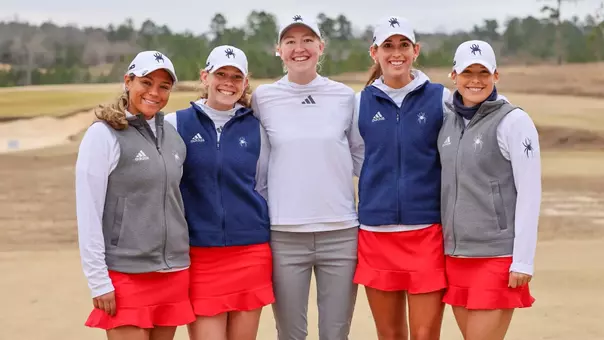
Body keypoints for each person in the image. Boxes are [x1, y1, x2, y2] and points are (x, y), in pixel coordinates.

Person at [251, 14, 361, 340]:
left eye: (307, 40)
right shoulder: (263, 98)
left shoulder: (345, 97)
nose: (300, 48)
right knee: (290, 334)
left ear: (321, 47)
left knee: (335, 333)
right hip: (284, 234)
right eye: (290, 42)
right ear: (279, 50)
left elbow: (361, 157)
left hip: (340, 233)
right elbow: (259, 163)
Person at [75, 51, 195, 340]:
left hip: (173, 271)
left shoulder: (173, 134)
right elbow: (88, 212)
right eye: (146, 82)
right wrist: (98, 281)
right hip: (126, 274)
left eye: (164, 86)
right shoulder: (103, 135)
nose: (154, 92)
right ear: (128, 81)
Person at [350, 16, 450, 340]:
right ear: (374, 52)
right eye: (388, 46)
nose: (396, 53)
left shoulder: (441, 98)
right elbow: (356, 156)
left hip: (426, 232)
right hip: (376, 233)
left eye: (403, 45)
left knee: (425, 334)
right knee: (389, 334)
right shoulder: (358, 103)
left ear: (415, 50)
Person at [164, 45, 273, 340]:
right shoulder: (175, 124)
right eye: (220, 74)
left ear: (245, 82)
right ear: (205, 77)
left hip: (250, 252)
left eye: (236, 76)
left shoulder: (257, 128)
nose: (228, 82)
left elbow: (262, 185)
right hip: (201, 255)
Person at [438, 40, 540, 340]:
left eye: (484, 72)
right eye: (468, 72)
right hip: (455, 257)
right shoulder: (447, 121)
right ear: (453, 76)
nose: (476, 80)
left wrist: (522, 260)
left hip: (496, 257)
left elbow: (530, 193)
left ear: (496, 76)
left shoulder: (514, 121)